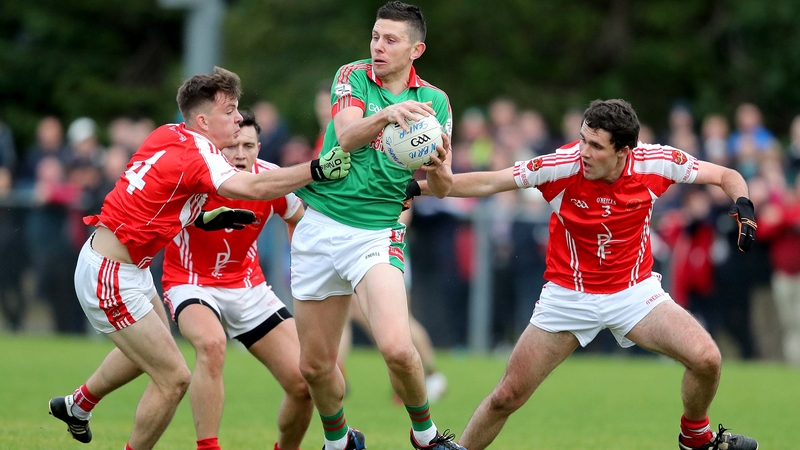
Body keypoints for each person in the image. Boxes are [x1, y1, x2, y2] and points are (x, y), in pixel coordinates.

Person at [411, 99, 760, 450]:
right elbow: (490, 182)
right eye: (582, 139)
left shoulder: (656, 162)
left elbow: (725, 175)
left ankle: (696, 438)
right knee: (506, 396)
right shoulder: (561, 165)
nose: (584, 152)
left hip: (634, 293)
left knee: (707, 359)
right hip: (568, 296)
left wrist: (743, 205)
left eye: (595, 145)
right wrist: (418, 189)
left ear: (624, 151)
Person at [47, 66, 351, 450]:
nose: (238, 119)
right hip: (113, 274)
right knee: (174, 378)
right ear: (204, 121)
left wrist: (204, 217)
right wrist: (317, 168)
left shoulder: (168, 133)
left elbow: (157, 198)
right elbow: (254, 187)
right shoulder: (200, 155)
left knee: (150, 352)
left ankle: (78, 405)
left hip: (127, 267)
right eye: (230, 111)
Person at [290, 2, 463, 449]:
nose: (378, 47)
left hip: (377, 232)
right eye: (375, 36)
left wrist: (439, 165)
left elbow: (442, 187)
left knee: (398, 349)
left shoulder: (435, 102)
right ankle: (339, 440)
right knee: (314, 367)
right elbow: (347, 136)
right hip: (320, 225)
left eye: (390, 40)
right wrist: (388, 114)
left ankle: (426, 436)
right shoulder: (352, 76)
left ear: (415, 50)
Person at [159, 110, 313, 450]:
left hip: (247, 287)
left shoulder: (270, 179)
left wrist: (303, 267)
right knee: (212, 345)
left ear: (259, 147)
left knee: (305, 382)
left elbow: (299, 220)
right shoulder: (195, 175)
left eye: (249, 146)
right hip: (190, 282)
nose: (240, 154)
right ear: (217, 146)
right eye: (232, 146)